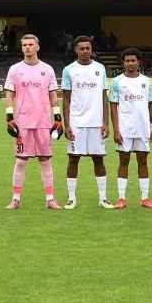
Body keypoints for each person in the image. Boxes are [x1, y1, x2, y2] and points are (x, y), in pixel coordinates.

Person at [3, 34, 59, 211]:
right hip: (23, 122)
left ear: (37, 47)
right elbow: (9, 94)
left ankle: (50, 199)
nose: (27, 47)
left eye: (30, 44)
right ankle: (15, 199)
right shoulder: (14, 69)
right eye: (24, 45)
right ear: (21, 48)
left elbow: (53, 95)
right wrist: (9, 117)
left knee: (45, 161)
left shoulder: (48, 69)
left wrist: (57, 118)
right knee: (20, 161)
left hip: (43, 121)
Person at [60, 36, 109, 209]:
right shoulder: (69, 70)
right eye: (81, 48)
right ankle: (71, 198)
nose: (85, 51)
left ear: (91, 49)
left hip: (96, 123)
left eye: (88, 48)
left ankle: (103, 198)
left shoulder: (100, 68)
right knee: (73, 159)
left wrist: (106, 122)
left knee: (99, 159)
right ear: (76, 50)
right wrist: (67, 125)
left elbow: (104, 96)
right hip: (77, 122)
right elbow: (65, 99)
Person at [108, 48, 152, 209]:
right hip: (125, 128)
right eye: (127, 61)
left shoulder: (146, 81)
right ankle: (121, 198)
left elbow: (151, 105)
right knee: (124, 160)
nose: (130, 63)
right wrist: (116, 130)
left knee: (143, 161)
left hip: (143, 128)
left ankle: (145, 198)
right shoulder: (117, 82)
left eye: (133, 60)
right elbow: (113, 106)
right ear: (123, 63)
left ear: (138, 62)